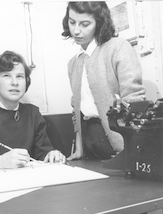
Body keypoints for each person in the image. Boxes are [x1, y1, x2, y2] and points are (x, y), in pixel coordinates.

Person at [62, 2, 146, 161]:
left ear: (99, 23)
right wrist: (79, 149)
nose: (76, 30)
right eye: (72, 22)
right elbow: (77, 111)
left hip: (119, 140)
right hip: (90, 141)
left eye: (85, 24)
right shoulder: (73, 63)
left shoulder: (118, 47)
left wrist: (132, 148)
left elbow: (133, 101)